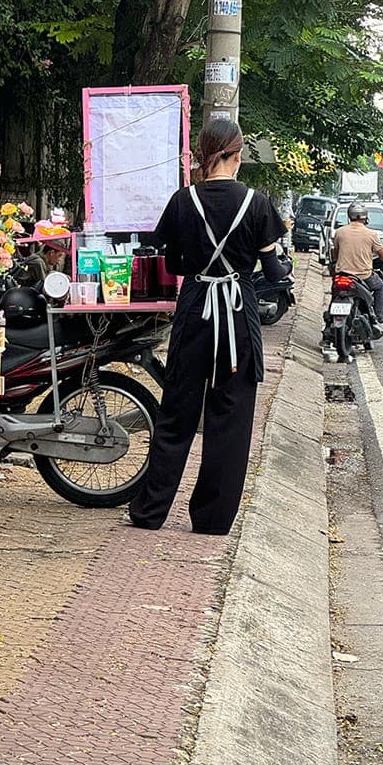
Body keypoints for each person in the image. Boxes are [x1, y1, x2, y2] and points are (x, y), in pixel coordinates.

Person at [126, 118, 287, 536]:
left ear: (203, 153)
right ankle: (213, 520)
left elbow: (174, 263)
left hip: (195, 308)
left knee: (177, 411)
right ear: (236, 156)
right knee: (230, 417)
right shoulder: (257, 203)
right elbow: (272, 272)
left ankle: (149, 512)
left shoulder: (183, 201)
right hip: (237, 313)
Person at [331, 202, 383, 333]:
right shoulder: (371, 234)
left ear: (349, 216)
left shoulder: (340, 232)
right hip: (364, 276)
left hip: (342, 274)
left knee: (334, 292)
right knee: (380, 287)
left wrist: (336, 261)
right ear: (365, 217)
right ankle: (379, 320)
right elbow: (381, 252)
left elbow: (335, 252)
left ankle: (329, 322)